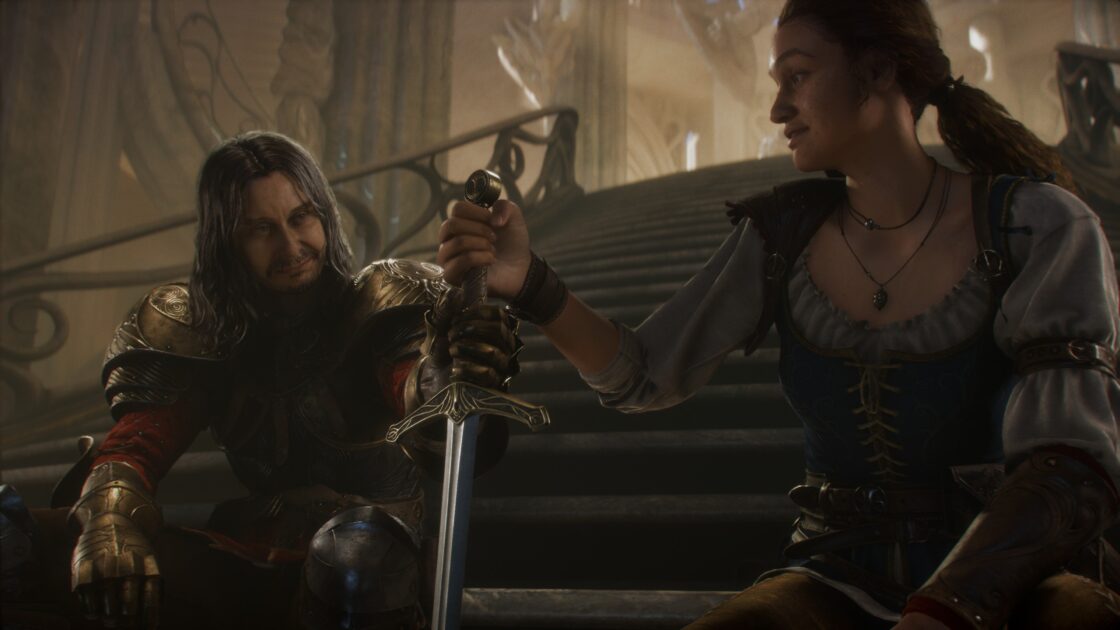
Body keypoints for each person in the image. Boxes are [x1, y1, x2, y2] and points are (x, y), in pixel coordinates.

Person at [436, 1, 1120, 628]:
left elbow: (1068, 469)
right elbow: (642, 374)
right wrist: (528, 282)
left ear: (879, 70)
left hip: (1013, 586)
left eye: (797, 76)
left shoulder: (1035, 226)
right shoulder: (780, 237)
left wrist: (944, 609)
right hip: (834, 578)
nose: (776, 109)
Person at [9, 131, 519, 629]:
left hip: (368, 572)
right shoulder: (209, 335)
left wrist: (445, 374)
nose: (291, 245)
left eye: (301, 218)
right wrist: (109, 521)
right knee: (13, 535)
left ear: (323, 216)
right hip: (250, 558)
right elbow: (136, 448)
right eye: (261, 229)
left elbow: (419, 396)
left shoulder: (374, 309)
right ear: (226, 243)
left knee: (356, 557)